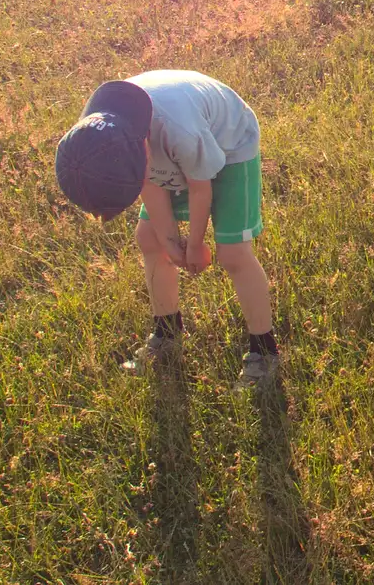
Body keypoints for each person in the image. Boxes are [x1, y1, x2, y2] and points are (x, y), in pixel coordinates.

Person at [55, 69, 280, 390]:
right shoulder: (94, 137)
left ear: (142, 150)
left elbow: (201, 188)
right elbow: (146, 180)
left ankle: (265, 351)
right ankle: (167, 333)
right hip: (166, 143)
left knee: (233, 254)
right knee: (149, 237)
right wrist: (170, 240)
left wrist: (195, 245)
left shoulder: (179, 132)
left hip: (229, 144)